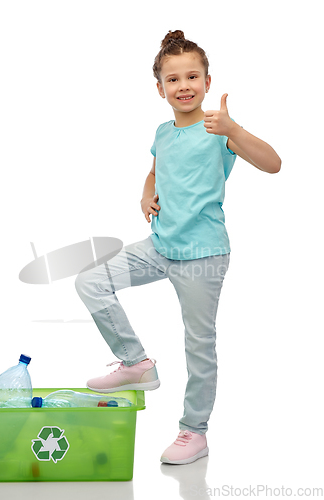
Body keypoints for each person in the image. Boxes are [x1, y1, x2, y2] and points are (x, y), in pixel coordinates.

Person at [75, 30, 281, 465]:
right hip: (159, 246)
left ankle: (194, 432)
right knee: (92, 281)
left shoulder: (217, 129)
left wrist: (233, 129)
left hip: (203, 257)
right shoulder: (162, 132)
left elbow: (273, 164)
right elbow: (155, 171)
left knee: (198, 344)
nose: (183, 85)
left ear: (207, 81)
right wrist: (145, 194)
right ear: (160, 89)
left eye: (192, 76)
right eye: (173, 79)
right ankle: (136, 363)